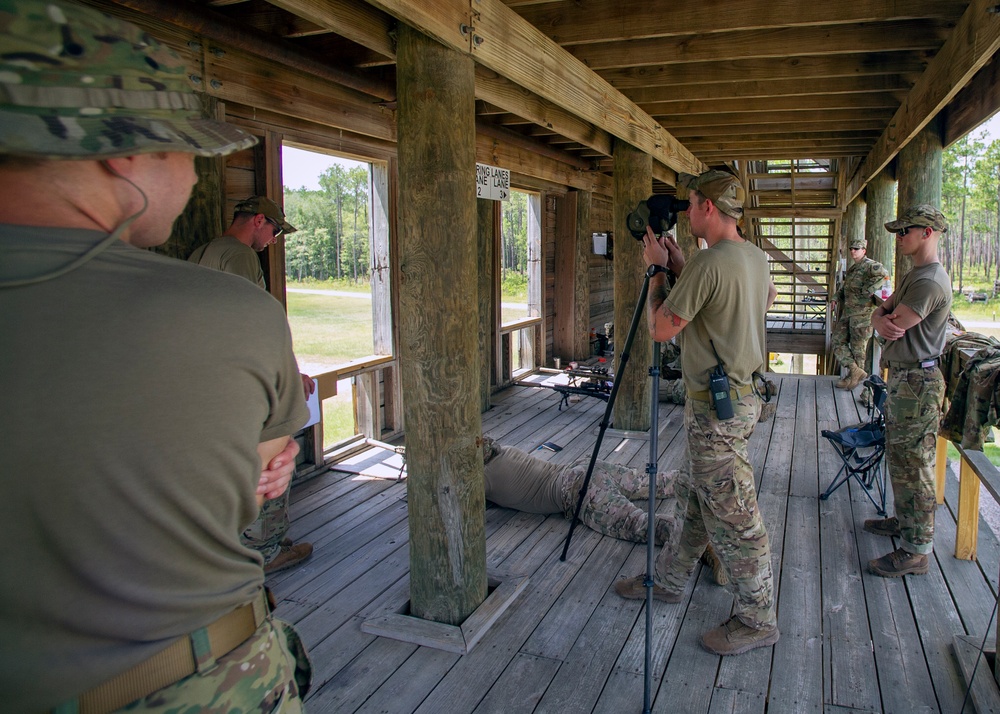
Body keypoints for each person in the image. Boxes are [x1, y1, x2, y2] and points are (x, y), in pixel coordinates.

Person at [0, 1, 312, 711]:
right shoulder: (227, 306)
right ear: (123, 149)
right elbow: (261, 467)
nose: (197, 176)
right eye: (188, 151)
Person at [614, 170, 780, 657]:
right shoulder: (752, 257)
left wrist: (659, 270)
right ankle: (669, 578)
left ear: (708, 206)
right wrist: (682, 262)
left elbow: (663, 328)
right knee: (691, 497)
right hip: (739, 399)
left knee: (735, 515)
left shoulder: (709, 265)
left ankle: (758, 618)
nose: (685, 214)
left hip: (715, 412)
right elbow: (731, 298)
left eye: (689, 205)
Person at [190, 196, 314, 574]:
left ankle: (235, 543)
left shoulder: (201, 254)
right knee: (275, 454)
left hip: (207, 377)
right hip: (242, 377)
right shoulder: (241, 256)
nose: (274, 239)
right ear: (258, 220)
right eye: (274, 230)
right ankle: (266, 548)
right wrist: (290, 378)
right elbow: (255, 325)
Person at [482, 437, 728, 584]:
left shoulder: (482, 479)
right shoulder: (504, 449)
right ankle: (712, 476)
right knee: (652, 481)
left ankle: (704, 543)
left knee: (636, 523)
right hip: (585, 467)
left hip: (576, 491)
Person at [865, 205, 952, 577]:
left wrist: (881, 319)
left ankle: (916, 552)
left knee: (915, 465)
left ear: (927, 232)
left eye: (905, 231)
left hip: (918, 382)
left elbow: (894, 324)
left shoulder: (929, 281)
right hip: (906, 380)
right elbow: (879, 313)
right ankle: (906, 522)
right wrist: (878, 318)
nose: (899, 237)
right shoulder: (916, 274)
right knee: (901, 459)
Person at [831, 237, 890, 390]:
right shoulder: (853, 268)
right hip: (849, 313)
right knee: (837, 340)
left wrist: (869, 290)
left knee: (858, 350)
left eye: (856, 249)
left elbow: (884, 275)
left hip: (862, 316)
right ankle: (854, 371)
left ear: (863, 251)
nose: (853, 251)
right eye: (851, 248)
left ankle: (855, 382)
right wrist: (836, 298)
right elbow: (845, 288)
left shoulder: (870, 265)